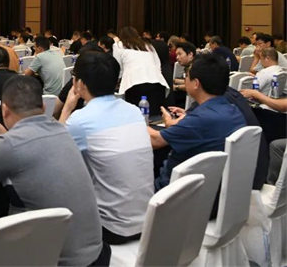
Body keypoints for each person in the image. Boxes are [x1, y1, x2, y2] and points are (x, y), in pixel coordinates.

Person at [0, 76, 107, 266]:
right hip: (96, 254)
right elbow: (26, 148)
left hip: (58, 261)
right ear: (43, 106)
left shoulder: (7, 146)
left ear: (4, 110)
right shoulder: (62, 130)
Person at [60, 51, 153, 244]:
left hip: (112, 228)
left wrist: (67, 108)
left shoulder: (80, 120)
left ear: (80, 84)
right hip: (148, 221)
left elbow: (55, 153)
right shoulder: (134, 110)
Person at [150, 54, 247, 191]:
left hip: (174, 191)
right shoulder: (233, 110)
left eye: (187, 77)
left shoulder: (200, 119)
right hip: (211, 187)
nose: (185, 80)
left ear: (196, 83)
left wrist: (137, 118)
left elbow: (155, 141)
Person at [113, 26, 169, 116]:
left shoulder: (118, 45)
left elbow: (117, 67)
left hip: (134, 84)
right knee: (156, 117)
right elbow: (158, 65)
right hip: (157, 83)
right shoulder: (147, 45)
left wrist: (117, 81)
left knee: (135, 118)